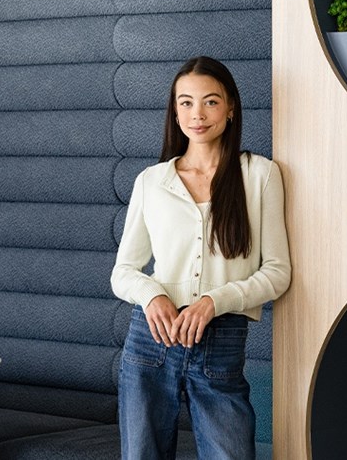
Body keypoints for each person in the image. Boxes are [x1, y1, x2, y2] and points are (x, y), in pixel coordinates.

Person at [111, 56, 291, 460]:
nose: (198, 114)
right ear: (174, 111)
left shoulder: (259, 175)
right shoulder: (151, 181)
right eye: (186, 102)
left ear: (230, 108)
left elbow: (278, 272)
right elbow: (123, 272)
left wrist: (215, 301)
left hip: (222, 339)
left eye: (210, 102)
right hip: (151, 338)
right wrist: (153, 296)